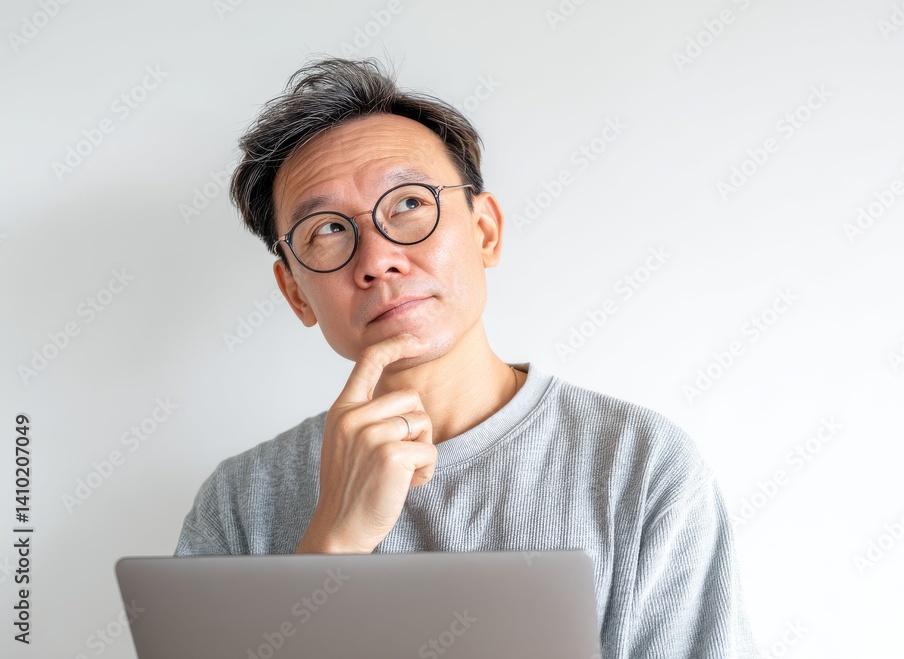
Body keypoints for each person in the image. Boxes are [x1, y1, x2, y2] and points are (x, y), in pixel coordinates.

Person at [174, 57, 759, 658]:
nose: (376, 259)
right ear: (296, 292)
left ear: (485, 233)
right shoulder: (240, 501)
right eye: (326, 229)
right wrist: (335, 542)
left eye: (407, 204)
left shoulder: (640, 466)